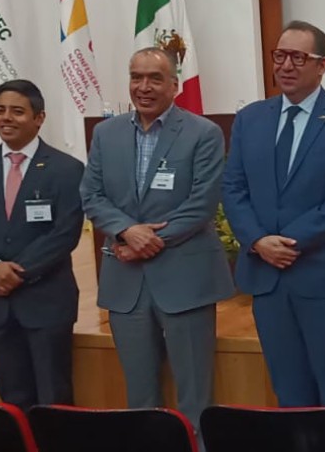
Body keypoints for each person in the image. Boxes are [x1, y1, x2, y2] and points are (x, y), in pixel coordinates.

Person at [80, 48, 233, 443]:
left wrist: (149, 240)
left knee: (195, 396)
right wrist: (127, 232)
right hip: (125, 282)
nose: (143, 87)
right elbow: (92, 195)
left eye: (154, 78)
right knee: (140, 398)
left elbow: (202, 203)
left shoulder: (203, 133)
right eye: (136, 77)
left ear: (174, 85)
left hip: (186, 280)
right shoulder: (106, 133)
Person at [222, 20, 325, 408]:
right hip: (266, 275)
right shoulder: (250, 119)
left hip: (321, 273)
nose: (286, 66)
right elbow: (233, 188)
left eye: (298, 57)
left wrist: (289, 242)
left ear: (321, 66)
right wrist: (257, 241)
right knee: (288, 390)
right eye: (280, 56)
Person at [0, 79, 83, 410]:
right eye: (0, 110)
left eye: (17, 111)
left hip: (46, 304)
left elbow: (65, 233)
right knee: (12, 403)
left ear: (39, 118)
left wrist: (17, 273)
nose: (6, 118)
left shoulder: (67, 169)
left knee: (54, 402)